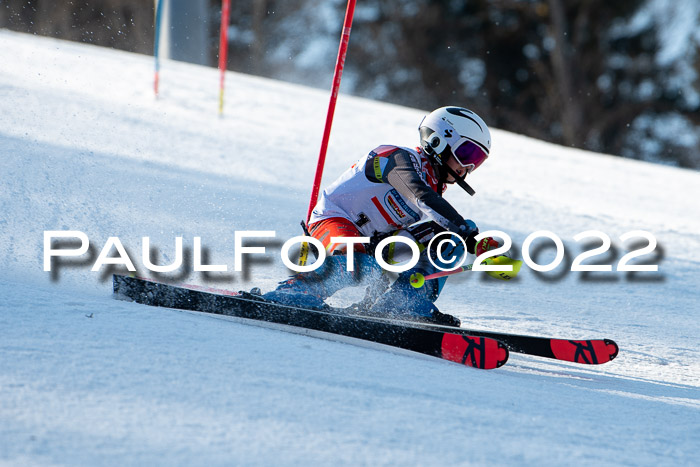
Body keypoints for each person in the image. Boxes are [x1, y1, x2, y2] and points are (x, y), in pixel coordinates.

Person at [263, 106, 500, 326]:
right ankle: (295, 291)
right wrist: (468, 234)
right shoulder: (395, 158)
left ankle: (401, 305)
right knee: (362, 265)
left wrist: (466, 236)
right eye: (466, 153)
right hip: (334, 221)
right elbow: (418, 193)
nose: (467, 167)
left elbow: (433, 206)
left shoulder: (434, 184)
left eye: (477, 161)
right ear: (438, 141)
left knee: (449, 241)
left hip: (377, 241)